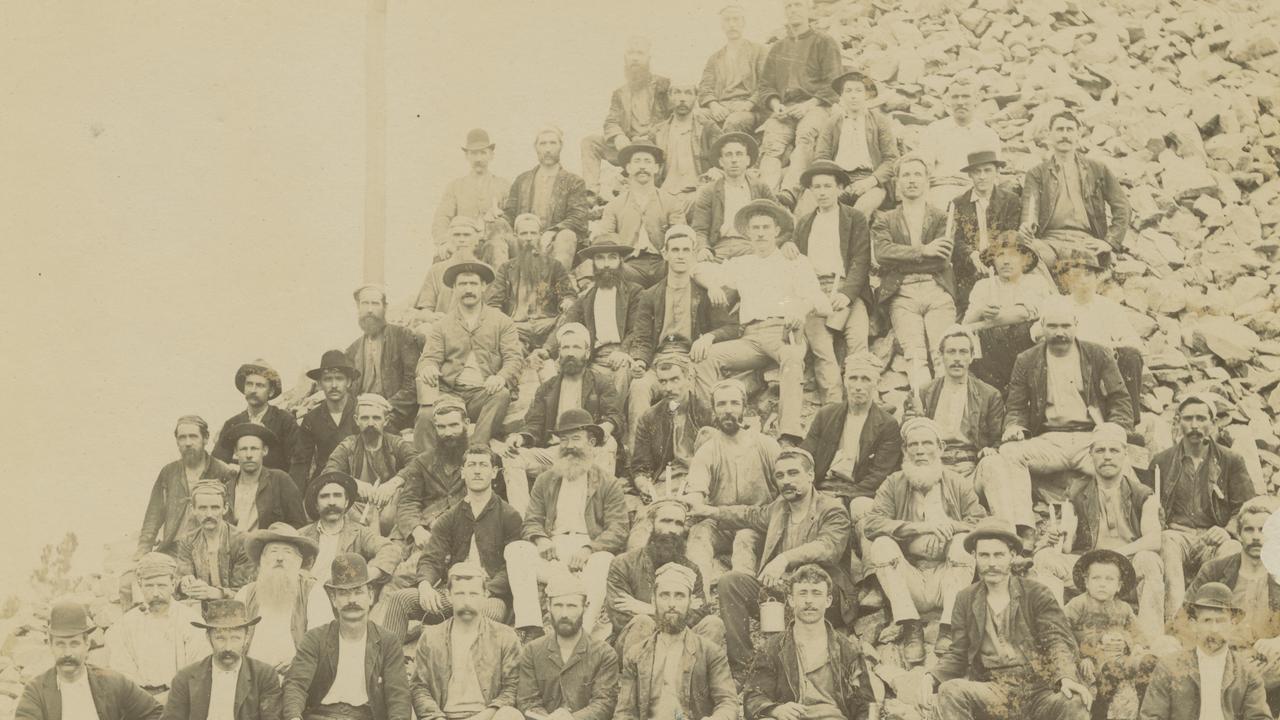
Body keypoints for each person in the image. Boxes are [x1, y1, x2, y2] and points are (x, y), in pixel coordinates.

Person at [690, 447, 854, 673]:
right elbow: (749, 514)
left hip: (821, 593)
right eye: (780, 475)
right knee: (731, 582)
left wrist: (784, 559)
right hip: (783, 589)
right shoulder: (780, 507)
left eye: (793, 473)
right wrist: (709, 511)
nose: (786, 481)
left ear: (810, 475)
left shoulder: (832, 509)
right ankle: (744, 666)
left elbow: (828, 547)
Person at [982, 297, 1134, 527]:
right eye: (1052, 326)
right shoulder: (1027, 360)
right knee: (1010, 453)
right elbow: (1016, 405)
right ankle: (1023, 528)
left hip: (1090, 438)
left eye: (1065, 326)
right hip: (1050, 440)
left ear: (1075, 325)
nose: (1059, 332)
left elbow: (1120, 398)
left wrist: (1113, 431)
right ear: (1042, 327)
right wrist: (1014, 426)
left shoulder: (1098, 354)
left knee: (1121, 460)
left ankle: (1130, 525)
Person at [921, 518, 1091, 720]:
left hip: (1039, 689)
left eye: (998, 555)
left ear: (1012, 556)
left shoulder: (1036, 593)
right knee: (950, 690)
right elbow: (958, 652)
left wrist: (1066, 677)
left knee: (1073, 701)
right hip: (994, 689)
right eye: (984, 555)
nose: (991, 563)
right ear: (974, 556)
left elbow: (1057, 639)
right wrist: (931, 677)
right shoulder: (965, 599)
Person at [692, 199, 828, 439]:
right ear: (747, 233)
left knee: (792, 360)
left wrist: (800, 309)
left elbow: (819, 300)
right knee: (705, 358)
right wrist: (713, 286)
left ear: (776, 231)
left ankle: (789, 434)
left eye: (766, 227)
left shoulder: (795, 261)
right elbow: (697, 269)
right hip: (750, 338)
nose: (761, 234)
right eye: (755, 228)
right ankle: (714, 427)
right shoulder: (740, 264)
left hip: (784, 333)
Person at [860, 417, 986, 666]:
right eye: (913, 444)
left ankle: (949, 628)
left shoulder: (957, 483)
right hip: (910, 579)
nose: (920, 450)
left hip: (948, 579)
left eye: (927, 443)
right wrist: (920, 529)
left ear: (941, 448)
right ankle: (910, 627)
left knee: (963, 542)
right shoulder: (894, 483)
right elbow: (872, 524)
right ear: (905, 450)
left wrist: (952, 527)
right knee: (882, 545)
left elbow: (981, 522)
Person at [1031, 423, 1165, 641]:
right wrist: (1057, 537)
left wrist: (1120, 553)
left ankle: (1150, 640)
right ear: (1091, 455)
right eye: (1100, 451)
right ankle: (1054, 636)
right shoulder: (1077, 492)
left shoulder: (1142, 494)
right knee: (1045, 558)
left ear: (1125, 454)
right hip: (1088, 570)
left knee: (1149, 560)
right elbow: (1066, 544)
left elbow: (1154, 539)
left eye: (1114, 450)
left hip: (1126, 569)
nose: (1107, 457)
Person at [504, 410, 631, 639]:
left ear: (591, 442)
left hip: (588, 552)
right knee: (515, 550)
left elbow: (618, 528)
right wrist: (540, 538)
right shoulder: (546, 480)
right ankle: (531, 626)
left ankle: (584, 632)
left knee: (605, 561)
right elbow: (532, 519)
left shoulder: (607, 483)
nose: (569, 446)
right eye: (564, 440)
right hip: (552, 551)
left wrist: (589, 548)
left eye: (575, 439)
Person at [378, 446, 518, 644]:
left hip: (489, 596)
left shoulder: (509, 515)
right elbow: (430, 557)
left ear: (494, 472)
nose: (477, 470)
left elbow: (511, 567)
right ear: (462, 472)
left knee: (487, 613)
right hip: (452, 593)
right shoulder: (450, 517)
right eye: (471, 465)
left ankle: (445, 644)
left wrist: (486, 589)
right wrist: (425, 586)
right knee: (400, 600)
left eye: (483, 465)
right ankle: (388, 667)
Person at [624, 228, 740, 451]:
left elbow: (731, 327)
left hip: (691, 360)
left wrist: (708, 337)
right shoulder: (650, 295)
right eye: (675, 250)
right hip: (660, 362)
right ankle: (638, 460)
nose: (680, 255)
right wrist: (639, 361)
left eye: (686, 250)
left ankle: (713, 451)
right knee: (639, 387)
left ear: (694, 254)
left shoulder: (705, 292)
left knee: (703, 391)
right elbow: (642, 339)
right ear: (664, 253)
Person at [1153, 393, 1259, 617]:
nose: (1194, 426)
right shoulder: (1162, 461)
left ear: (1213, 423)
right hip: (1177, 534)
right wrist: (1158, 517)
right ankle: (1177, 621)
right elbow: (1147, 502)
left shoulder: (1231, 460)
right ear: (1178, 421)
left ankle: (1217, 619)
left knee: (1233, 549)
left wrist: (1227, 530)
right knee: (1166, 542)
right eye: (1188, 418)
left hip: (1213, 536)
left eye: (1201, 418)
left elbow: (1246, 507)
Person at [503, 323, 622, 514]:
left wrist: (603, 430)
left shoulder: (601, 382)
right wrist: (521, 437)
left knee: (610, 444)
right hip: (555, 452)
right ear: (559, 353)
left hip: (587, 450)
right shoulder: (547, 387)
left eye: (576, 347)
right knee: (512, 456)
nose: (570, 353)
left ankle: (599, 513)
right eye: (566, 348)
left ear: (587, 352)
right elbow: (534, 423)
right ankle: (524, 520)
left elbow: (614, 415)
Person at [282, 554, 412, 720]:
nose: (352, 600)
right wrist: (294, 717)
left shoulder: (388, 641)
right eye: (344, 593)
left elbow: (398, 695)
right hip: (320, 715)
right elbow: (296, 684)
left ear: (370, 596)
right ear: (333, 599)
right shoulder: (315, 638)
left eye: (358, 592)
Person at [742, 564, 875, 720]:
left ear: (828, 600)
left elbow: (865, 705)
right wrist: (775, 710)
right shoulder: (773, 647)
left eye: (817, 593)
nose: (809, 601)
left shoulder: (848, 649)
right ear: (791, 600)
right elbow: (753, 697)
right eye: (803, 593)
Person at [415, 261, 522, 453]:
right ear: (454, 289)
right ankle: (427, 467)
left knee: (501, 394)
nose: (468, 289)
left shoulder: (502, 322)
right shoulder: (442, 325)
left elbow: (514, 358)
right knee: (425, 415)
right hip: (450, 394)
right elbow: (429, 357)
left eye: (473, 284)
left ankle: (475, 451)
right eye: (462, 284)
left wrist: (500, 377)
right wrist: (428, 367)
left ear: (483, 287)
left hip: (484, 393)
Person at [683, 379, 780, 590]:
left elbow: (786, 488)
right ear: (714, 410)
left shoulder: (766, 446)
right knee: (699, 533)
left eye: (734, 404)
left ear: (745, 407)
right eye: (722, 404)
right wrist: (693, 502)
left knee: (745, 538)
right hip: (721, 523)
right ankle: (700, 592)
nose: (728, 410)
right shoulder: (708, 451)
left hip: (757, 522)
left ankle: (741, 591)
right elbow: (696, 491)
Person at [872, 154, 958, 391]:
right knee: (914, 356)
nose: (912, 180)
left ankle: (945, 410)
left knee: (943, 353)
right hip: (903, 293)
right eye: (906, 175)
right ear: (897, 182)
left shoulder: (942, 216)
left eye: (918, 174)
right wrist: (924, 250)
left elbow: (942, 260)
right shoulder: (884, 219)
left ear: (927, 180)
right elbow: (882, 253)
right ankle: (925, 412)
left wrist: (902, 258)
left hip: (937, 289)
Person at [1187, 498, 1280, 714]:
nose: (1256, 536)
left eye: (1263, 530)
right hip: (1223, 657)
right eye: (1249, 530)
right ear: (1238, 533)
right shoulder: (1215, 572)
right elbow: (1185, 619)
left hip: (1269, 663)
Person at [614, 562, 739, 720]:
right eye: (664, 595)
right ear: (653, 601)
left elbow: (727, 702)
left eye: (679, 596)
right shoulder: (636, 653)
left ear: (690, 602)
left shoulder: (711, 652)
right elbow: (624, 712)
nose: (671, 604)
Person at [789, 160, 874, 387]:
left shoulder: (854, 218)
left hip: (847, 288)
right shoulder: (804, 223)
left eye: (828, 186)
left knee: (858, 344)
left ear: (839, 189)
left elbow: (860, 258)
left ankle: (865, 399)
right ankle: (832, 407)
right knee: (823, 351)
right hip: (814, 291)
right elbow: (797, 262)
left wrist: (847, 294)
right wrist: (788, 249)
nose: (822, 192)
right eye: (817, 187)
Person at [408, 564, 525, 720]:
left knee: (510, 715)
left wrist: (483, 716)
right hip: (443, 716)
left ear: (485, 595)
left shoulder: (505, 636)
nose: (467, 601)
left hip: (488, 716)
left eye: (473, 594)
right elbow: (419, 688)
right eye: (460, 594)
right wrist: (437, 718)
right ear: (449, 596)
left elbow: (512, 688)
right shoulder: (430, 638)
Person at [606, 498, 725, 652]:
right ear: (650, 524)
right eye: (666, 521)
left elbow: (699, 614)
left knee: (713, 624)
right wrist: (679, 612)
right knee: (642, 622)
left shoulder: (692, 569)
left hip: (680, 645)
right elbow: (621, 617)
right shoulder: (623, 563)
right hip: (639, 646)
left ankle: (688, 675)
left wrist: (648, 609)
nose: (672, 529)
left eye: (678, 523)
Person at [1139, 582, 1271, 720]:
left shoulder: (1247, 673)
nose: (1214, 629)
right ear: (1193, 624)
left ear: (1232, 624)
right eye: (1207, 620)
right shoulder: (1169, 668)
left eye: (1220, 621)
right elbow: (1151, 716)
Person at [536, 234, 643, 401]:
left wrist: (622, 352)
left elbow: (637, 329)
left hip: (622, 353)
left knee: (622, 372)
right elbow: (566, 323)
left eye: (612, 258)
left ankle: (613, 422)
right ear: (594, 264)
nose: (606, 264)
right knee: (558, 371)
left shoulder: (634, 292)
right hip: (593, 355)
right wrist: (547, 349)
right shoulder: (587, 297)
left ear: (620, 262)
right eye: (600, 258)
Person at [1020, 111, 1130, 272]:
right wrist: (1027, 226)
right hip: (1048, 241)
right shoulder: (1036, 173)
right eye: (1059, 129)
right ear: (1049, 135)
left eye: (1069, 129)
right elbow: (1030, 206)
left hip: (1085, 241)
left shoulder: (1097, 169)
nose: (1065, 135)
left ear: (1078, 135)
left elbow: (1123, 206)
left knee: (1081, 274)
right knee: (1027, 254)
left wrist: (1108, 242)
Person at [16, 600, 162, 720]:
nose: (67, 653)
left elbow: (155, 713)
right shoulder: (35, 691)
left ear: (87, 644)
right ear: (51, 645)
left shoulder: (113, 682)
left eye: (74, 644)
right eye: (60, 644)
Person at [755, 0, 842, 192]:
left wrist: (809, 104)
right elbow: (765, 85)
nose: (793, 10)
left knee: (805, 135)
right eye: (789, 6)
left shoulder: (824, 41)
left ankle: (790, 192)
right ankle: (767, 194)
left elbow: (835, 82)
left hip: (817, 106)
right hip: (785, 108)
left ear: (809, 9)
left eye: (798, 4)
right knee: (772, 144)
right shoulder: (778, 47)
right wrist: (776, 104)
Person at [801, 352, 902, 510]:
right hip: (820, 488)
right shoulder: (826, 415)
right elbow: (806, 457)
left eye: (865, 379)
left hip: (857, 494)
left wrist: (843, 498)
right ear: (844, 381)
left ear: (877, 383)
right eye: (853, 378)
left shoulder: (888, 425)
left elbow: (878, 476)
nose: (858, 386)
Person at [901, 326, 1003, 481]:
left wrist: (991, 450)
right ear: (941, 355)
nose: (957, 358)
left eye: (963, 352)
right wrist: (914, 421)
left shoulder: (989, 394)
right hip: (934, 466)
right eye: (951, 352)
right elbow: (908, 437)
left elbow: (997, 440)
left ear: (972, 356)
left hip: (971, 468)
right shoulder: (922, 394)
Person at [136, 415, 238, 566]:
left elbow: (230, 517)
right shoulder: (169, 472)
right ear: (177, 441)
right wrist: (143, 550)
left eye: (193, 437)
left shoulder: (223, 472)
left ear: (205, 438)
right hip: (173, 549)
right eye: (182, 438)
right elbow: (153, 515)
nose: (188, 443)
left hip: (209, 549)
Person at [1064, 550, 1155, 720]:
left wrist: (1133, 645)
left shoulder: (1123, 609)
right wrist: (1081, 657)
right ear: (1086, 582)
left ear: (1119, 585)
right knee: (1096, 682)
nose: (1102, 584)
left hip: (1118, 662)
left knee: (1141, 667)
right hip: (1089, 664)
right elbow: (1062, 634)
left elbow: (1138, 634)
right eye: (1096, 578)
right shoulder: (1077, 605)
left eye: (1109, 579)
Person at [1056, 249, 1144, 421]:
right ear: (1067, 278)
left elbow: (1135, 342)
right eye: (1076, 274)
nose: (1082, 280)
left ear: (1097, 278)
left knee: (1131, 356)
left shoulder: (1109, 308)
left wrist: (1108, 348)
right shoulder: (1058, 304)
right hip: (1068, 365)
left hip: (1102, 366)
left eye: (1088, 274)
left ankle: (1127, 421)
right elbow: (1035, 333)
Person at [515, 577, 620, 720]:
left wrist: (572, 718)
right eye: (558, 605)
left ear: (586, 607)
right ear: (548, 605)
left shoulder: (604, 654)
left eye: (572, 606)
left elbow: (604, 704)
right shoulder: (532, 651)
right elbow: (527, 701)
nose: (564, 614)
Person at [962, 233, 1055, 389]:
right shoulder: (983, 285)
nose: (1006, 261)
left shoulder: (1035, 282)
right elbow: (965, 324)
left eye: (1013, 255)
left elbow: (1023, 314)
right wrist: (980, 310)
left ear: (1025, 260)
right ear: (993, 260)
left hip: (1026, 352)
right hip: (992, 360)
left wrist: (981, 324)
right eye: (1000, 255)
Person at [581, 37, 671, 195]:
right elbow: (610, 121)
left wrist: (648, 136)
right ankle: (591, 193)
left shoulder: (663, 85)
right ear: (625, 58)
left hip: (656, 145)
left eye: (640, 53)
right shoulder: (620, 93)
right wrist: (617, 136)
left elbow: (673, 119)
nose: (635, 58)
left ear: (648, 58)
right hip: (627, 145)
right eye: (631, 53)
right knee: (590, 142)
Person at [105, 553, 204, 697]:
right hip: (140, 705)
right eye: (149, 586)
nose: (156, 593)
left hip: (181, 702)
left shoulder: (191, 621)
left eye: (162, 585)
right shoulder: (124, 626)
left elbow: (198, 673)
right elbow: (122, 673)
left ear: (173, 583)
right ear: (140, 585)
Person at [163, 600, 281, 720]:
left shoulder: (264, 675)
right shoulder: (185, 678)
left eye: (235, 638)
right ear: (208, 638)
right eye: (220, 638)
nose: (228, 647)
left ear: (247, 638)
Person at [627, 346, 714, 510]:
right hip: (664, 483)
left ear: (688, 378)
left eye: (675, 379)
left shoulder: (707, 411)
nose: (668, 388)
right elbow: (640, 466)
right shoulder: (649, 418)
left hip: (700, 483)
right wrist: (643, 484)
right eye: (663, 381)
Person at [320, 393, 417, 537]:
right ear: (356, 420)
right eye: (365, 418)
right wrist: (353, 483)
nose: (370, 423)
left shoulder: (396, 444)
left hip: (390, 505)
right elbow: (329, 471)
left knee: (390, 518)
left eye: (376, 418)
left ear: (386, 420)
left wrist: (392, 484)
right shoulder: (349, 445)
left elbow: (417, 463)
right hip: (358, 506)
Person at [808, 70, 897, 220]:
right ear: (841, 96)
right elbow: (821, 158)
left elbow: (891, 159)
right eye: (848, 91)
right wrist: (836, 184)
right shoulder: (832, 123)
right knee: (815, 208)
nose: (853, 95)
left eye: (858, 90)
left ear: (866, 95)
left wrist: (869, 182)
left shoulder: (879, 121)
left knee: (860, 212)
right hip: (838, 180)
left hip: (871, 182)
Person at [236, 523, 325, 671]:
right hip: (251, 678)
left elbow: (321, 640)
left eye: (287, 552)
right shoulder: (245, 593)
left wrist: (299, 663)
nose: (279, 558)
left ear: (299, 561)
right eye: (273, 551)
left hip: (296, 678)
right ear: (262, 560)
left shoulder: (313, 592)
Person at [598, 144, 687, 289]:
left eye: (647, 161)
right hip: (629, 265)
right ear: (628, 168)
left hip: (663, 263)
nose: (642, 167)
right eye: (637, 161)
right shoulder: (614, 206)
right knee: (613, 273)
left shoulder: (671, 202)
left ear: (656, 168)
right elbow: (606, 241)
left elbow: (680, 237)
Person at [504, 126, 591, 274]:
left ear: (561, 146)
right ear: (535, 147)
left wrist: (552, 232)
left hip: (555, 243)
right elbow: (510, 213)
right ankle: (500, 287)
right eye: (543, 144)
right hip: (524, 241)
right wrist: (497, 217)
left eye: (553, 143)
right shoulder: (522, 180)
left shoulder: (574, 181)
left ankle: (557, 286)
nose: (548, 149)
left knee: (567, 235)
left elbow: (578, 217)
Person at [486, 213, 577, 351]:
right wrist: (499, 319)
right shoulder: (506, 268)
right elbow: (494, 302)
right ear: (516, 236)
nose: (528, 238)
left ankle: (546, 351)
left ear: (540, 235)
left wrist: (568, 300)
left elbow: (568, 293)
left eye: (533, 233)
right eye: (524, 233)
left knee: (569, 318)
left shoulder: (554, 266)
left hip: (547, 324)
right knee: (509, 344)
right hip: (517, 326)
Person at [950, 150, 1023, 316]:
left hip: (1001, 261)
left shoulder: (1010, 200)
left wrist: (990, 256)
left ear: (997, 172)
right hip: (969, 267)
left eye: (987, 170)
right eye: (977, 171)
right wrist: (972, 255)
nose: (982, 176)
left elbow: (1010, 234)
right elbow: (956, 239)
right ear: (970, 175)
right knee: (968, 311)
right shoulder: (958, 203)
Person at [299, 471, 399, 589]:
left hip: (342, 595)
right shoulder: (301, 535)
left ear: (346, 502)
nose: (332, 502)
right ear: (316, 504)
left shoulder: (360, 533)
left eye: (337, 495)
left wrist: (368, 573)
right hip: (306, 595)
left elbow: (390, 549)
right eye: (324, 496)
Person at [347, 283, 424, 434]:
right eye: (365, 304)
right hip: (363, 414)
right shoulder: (353, 349)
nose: (370, 310)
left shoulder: (402, 336)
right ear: (358, 307)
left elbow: (411, 385)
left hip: (395, 415)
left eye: (375, 304)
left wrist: (385, 409)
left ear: (385, 307)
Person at [915, 75, 1002, 207]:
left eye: (966, 96)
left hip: (973, 193)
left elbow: (992, 178)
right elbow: (923, 171)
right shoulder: (934, 130)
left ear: (977, 99)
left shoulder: (988, 135)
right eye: (955, 97)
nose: (960, 102)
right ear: (949, 100)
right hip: (939, 192)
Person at [395, 400, 470, 551]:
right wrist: (416, 530)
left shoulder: (478, 460)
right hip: (424, 528)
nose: (447, 433)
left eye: (454, 425)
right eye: (441, 427)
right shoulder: (422, 462)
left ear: (466, 424)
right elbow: (408, 502)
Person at [689, 132, 776, 260]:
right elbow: (699, 229)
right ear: (721, 161)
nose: (734, 160)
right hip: (719, 248)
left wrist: (783, 242)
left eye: (739, 154)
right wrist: (703, 248)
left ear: (747, 160)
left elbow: (780, 219)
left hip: (752, 246)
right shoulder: (709, 191)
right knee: (699, 271)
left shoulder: (760, 187)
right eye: (728, 155)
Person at [432, 128, 513, 266]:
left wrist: (498, 218)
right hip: (462, 245)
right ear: (467, 156)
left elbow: (512, 218)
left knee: (498, 253)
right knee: (440, 261)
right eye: (474, 153)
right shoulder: (455, 186)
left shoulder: (503, 185)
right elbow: (442, 217)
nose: (478, 159)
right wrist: (444, 241)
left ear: (491, 155)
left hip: (493, 246)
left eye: (483, 153)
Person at [212, 360, 299, 474]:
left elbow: (296, 464)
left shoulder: (284, 421)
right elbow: (218, 463)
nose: (253, 390)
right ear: (244, 388)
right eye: (249, 384)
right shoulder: (232, 424)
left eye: (260, 385)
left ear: (271, 391)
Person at [175, 480, 256, 602]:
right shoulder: (187, 541)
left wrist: (217, 593)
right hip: (199, 608)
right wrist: (184, 583)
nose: (209, 514)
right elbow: (181, 577)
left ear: (225, 508)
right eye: (202, 508)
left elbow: (246, 590)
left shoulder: (243, 541)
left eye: (215, 508)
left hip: (236, 609)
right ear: (193, 509)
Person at [289, 350, 358, 490]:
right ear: (319, 384)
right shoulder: (311, 419)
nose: (334, 385)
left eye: (339, 378)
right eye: (328, 379)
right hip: (325, 484)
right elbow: (301, 463)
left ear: (349, 382)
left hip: (358, 482)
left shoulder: (362, 411)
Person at [697, 4, 767, 135]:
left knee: (734, 122)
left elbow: (766, 84)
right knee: (697, 117)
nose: (732, 24)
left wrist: (748, 104)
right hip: (722, 106)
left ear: (743, 23)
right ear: (722, 25)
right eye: (727, 20)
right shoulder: (715, 58)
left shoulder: (759, 51)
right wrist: (714, 105)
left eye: (736, 19)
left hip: (749, 109)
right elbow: (705, 88)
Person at [223, 424, 306, 531]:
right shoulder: (228, 487)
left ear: (265, 451)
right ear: (236, 452)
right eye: (243, 449)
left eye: (254, 449)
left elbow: (299, 524)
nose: (249, 455)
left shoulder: (280, 480)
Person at [653, 81, 719, 206]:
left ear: (696, 97)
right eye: (677, 92)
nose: (682, 98)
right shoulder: (657, 131)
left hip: (698, 194)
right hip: (664, 194)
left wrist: (716, 171)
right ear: (669, 96)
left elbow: (723, 158)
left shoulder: (708, 128)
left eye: (688, 93)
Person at [416, 216, 485, 324]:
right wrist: (430, 317)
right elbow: (425, 308)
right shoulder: (436, 270)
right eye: (456, 235)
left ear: (476, 240)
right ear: (449, 239)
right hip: (442, 327)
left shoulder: (484, 270)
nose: (461, 240)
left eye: (467, 235)